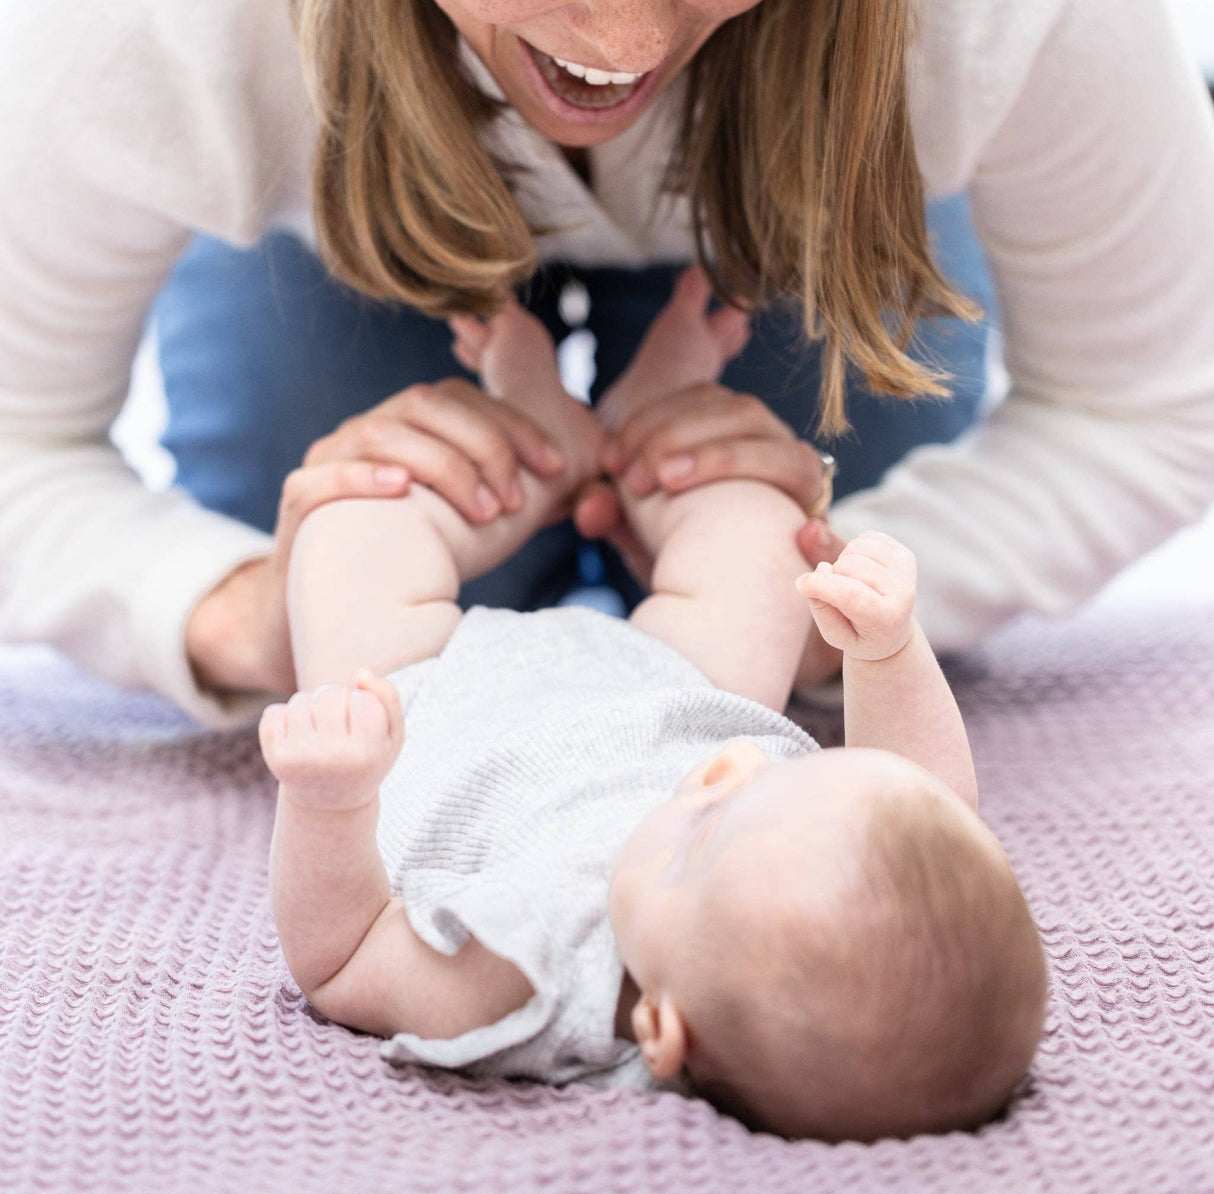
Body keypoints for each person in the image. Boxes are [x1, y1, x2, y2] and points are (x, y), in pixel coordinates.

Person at [2, 0, 1212, 728]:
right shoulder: (141, 30)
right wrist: (231, 610)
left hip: (810, 204)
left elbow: (1153, 408)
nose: (621, 44)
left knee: (813, 561)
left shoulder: (1011, 23)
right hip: (333, 215)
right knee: (335, 561)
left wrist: (847, 620)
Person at [258, 275, 1047, 1141]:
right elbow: (924, 790)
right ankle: (652, 423)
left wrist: (332, 800)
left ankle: (541, 438)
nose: (732, 769)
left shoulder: (529, 980)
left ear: (661, 1031)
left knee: (351, 524)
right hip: (680, 683)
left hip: (427, 700)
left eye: (701, 835)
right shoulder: (743, 812)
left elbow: (341, 959)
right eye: (766, 784)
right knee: (764, 534)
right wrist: (887, 646)